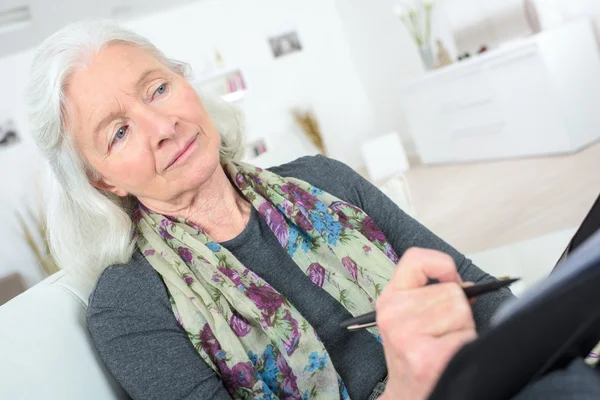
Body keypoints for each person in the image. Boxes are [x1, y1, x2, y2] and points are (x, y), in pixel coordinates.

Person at [25, 20, 512, 400]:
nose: (162, 125)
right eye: (119, 131)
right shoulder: (128, 304)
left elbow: (477, 292)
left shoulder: (324, 179)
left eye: (157, 88)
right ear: (102, 180)